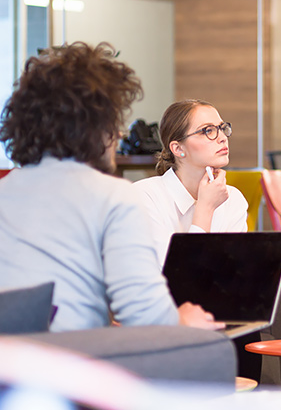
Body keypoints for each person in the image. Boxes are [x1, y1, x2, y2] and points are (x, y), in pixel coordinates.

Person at [0, 42, 222, 332]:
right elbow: (146, 315)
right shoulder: (113, 195)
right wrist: (185, 321)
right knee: (210, 344)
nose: (119, 133)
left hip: (11, 353)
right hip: (74, 356)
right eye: (114, 121)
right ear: (95, 127)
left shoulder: (7, 189)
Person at [132, 99, 247, 265]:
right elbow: (177, 277)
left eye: (222, 128)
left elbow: (233, 274)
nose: (222, 138)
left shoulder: (233, 198)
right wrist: (205, 208)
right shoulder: (143, 197)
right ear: (178, 149)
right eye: (208, 130)